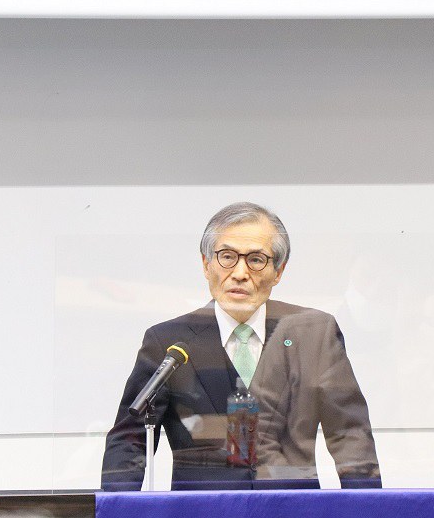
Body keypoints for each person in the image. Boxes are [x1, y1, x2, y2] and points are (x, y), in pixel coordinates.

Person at [101, 202, 380, 490]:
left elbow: (351, 434)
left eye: (256, 259)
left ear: (278, 271)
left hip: (292, 507)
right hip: (202, 509)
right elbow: (129, 440)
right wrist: (119, 505)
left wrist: (367, 506)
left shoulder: (314, 334)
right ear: (206, 264)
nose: (240, 273)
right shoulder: (168, 342)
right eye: (227, 257)